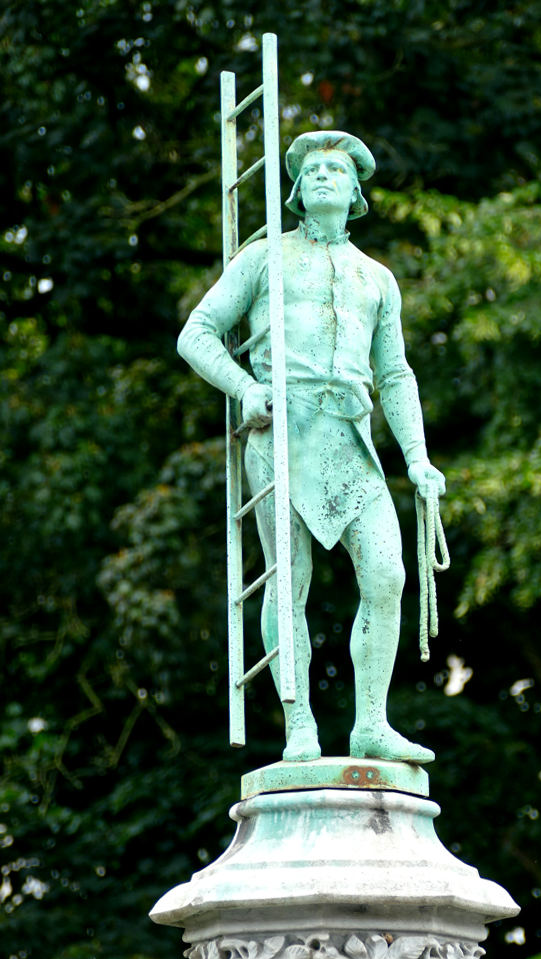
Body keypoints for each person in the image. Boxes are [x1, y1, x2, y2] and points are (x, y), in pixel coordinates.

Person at [178, 130, 445, 764]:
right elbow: (198, 333)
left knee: (387, 572)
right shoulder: (265, 258)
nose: (324, 176)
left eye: (337, 169)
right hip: (282, 433)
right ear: (298, 189)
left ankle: (372, 723)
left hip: (351, 439)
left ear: (356, 192)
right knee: (287, 578)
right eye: (314, 169)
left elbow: (396, 374)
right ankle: (299, 726)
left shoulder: (376, 277)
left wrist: (418, 458)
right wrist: (245, 388)